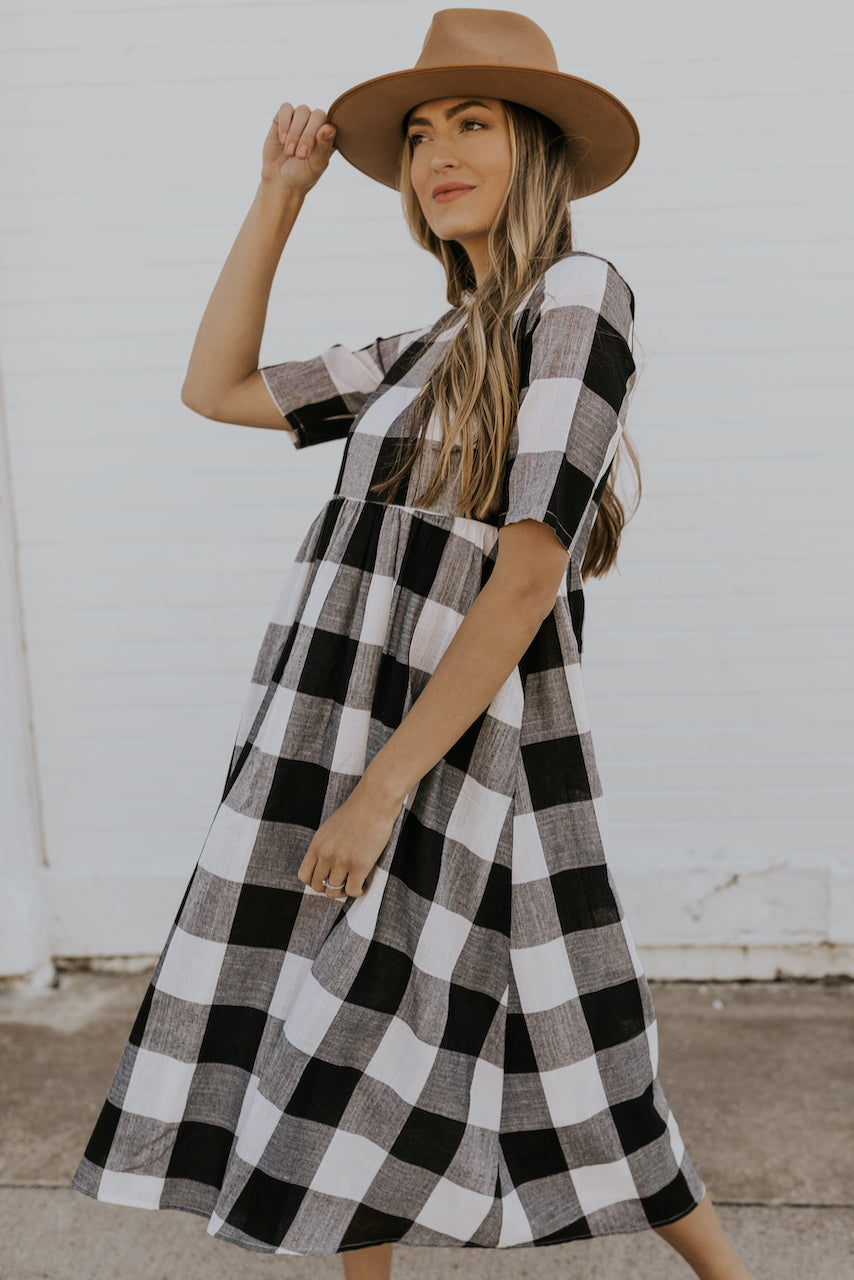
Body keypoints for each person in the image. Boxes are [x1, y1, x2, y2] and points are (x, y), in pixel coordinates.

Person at [71, 10, 757, 1280]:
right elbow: (213, 386)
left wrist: (383, 786)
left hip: (462, 741)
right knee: (349, 1027)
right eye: (421, 134)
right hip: (337, 720)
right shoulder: (422, 348)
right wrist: (279, 194)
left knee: (562, 1045)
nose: (436, 152)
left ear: (534, 149)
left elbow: (531, 565)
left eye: (473, 124)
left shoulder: (578, 292)